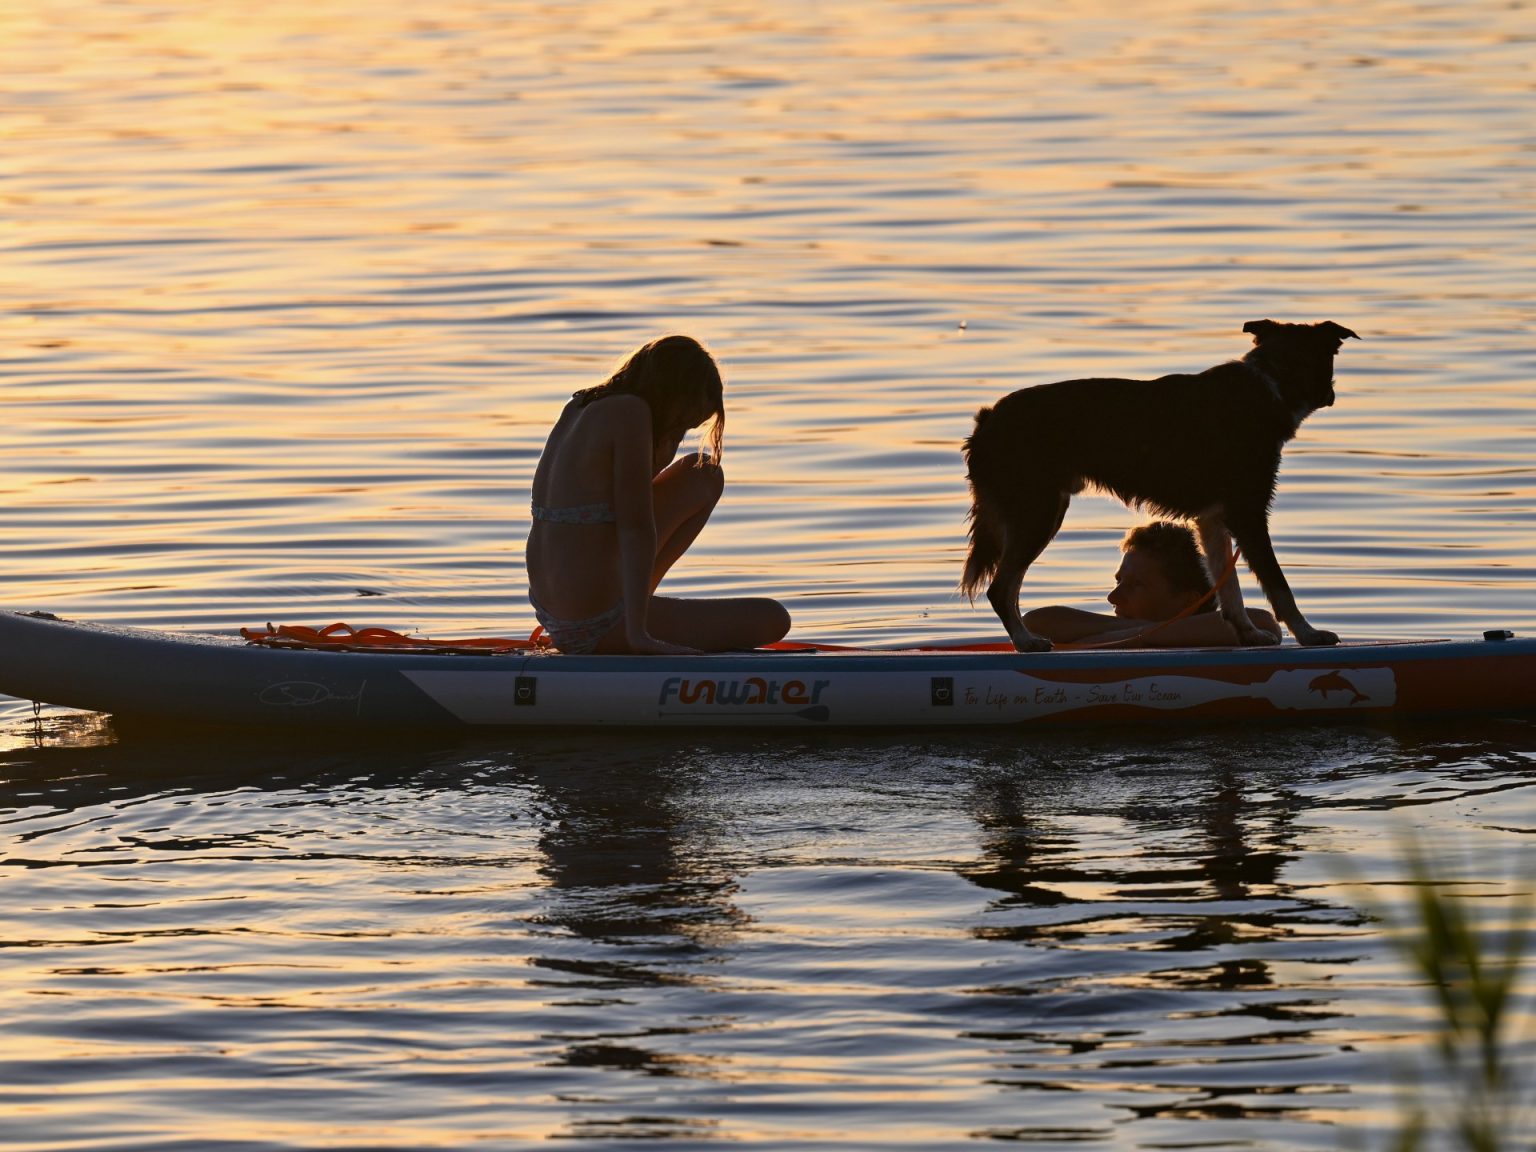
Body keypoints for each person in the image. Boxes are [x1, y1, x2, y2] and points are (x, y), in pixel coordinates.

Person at [526, 335, 791, 655]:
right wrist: (638, 637)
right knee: (773, 618)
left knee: (702, 473)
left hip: (557, 612)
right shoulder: (631, 412)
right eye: (681, 423)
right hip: (597, 620)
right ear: (673, 394)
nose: (676, 437)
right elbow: (635, 527)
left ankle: (635, 610)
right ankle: (633, 623)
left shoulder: (580, 406)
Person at [1021, 520, 1279, 648]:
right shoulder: (1121, 625)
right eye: (1119, 580)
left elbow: (1264, 624)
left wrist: (1135, 636)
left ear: (1187, 600)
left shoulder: (1219, 640)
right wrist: (1136, 629)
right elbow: (1032, 624)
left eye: (1136, 585)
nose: (1113, 597)